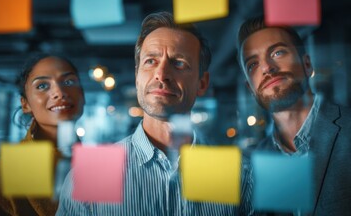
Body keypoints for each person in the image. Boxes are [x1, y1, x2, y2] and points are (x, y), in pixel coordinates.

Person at [57, 12, 255, 215]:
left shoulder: (240, 176)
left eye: (179, 63)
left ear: (202, 83)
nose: (161, 74)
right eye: (151, 61)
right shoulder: (89, 177)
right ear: (137, 76)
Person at [237, 16, 351, 215]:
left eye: (278, 52)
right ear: (250, 89)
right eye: (253, 65)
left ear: (307, 64)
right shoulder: (253, 165)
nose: (266, 68)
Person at [0, 54, 85, 216]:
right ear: (25, 104)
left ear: (82, 95)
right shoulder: (1, 177)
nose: (59, 92)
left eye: (68, 82)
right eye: (42, 86)